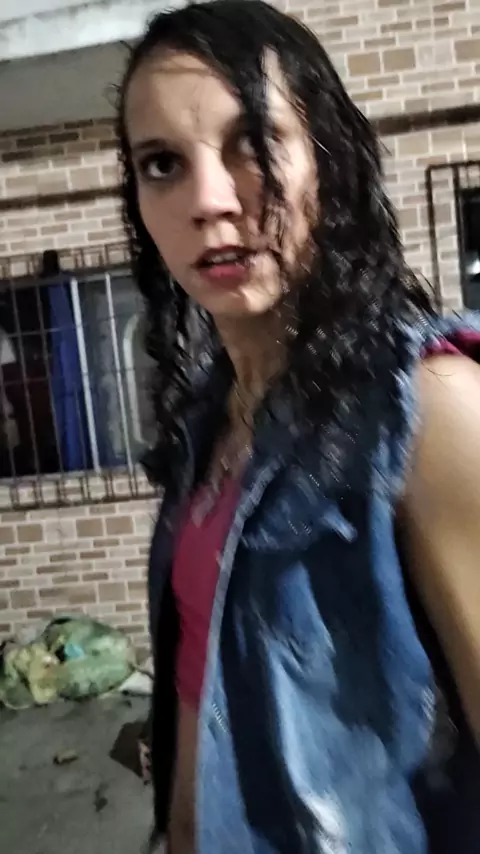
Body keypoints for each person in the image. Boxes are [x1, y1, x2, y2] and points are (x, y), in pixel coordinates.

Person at [116, 2, 480, 851]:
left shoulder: (429, 413)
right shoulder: (207, 427)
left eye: (254, 142)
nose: (209, 202)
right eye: (162, 164)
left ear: (331, 159)